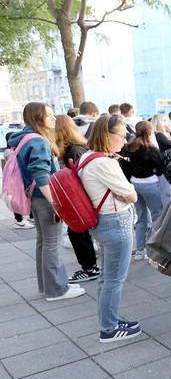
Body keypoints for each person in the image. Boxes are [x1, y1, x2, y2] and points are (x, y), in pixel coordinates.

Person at [7, 103, 85, 301]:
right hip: (45, 198)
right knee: (52, 244)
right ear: (37, 118)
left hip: (34, 198)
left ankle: (48, 286)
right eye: (49, 115)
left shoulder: (23, 138)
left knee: (43, 242)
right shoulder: (39, 142)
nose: (53, 118)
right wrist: (57, 204)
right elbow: (41, 176)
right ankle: (56, 290)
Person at [82, 114, 141, 341]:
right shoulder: (104, 163)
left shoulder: (87, 157)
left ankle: (111, 320)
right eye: (122, 135)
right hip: (115, 223)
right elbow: (132, 195)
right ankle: (109, 328)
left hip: (103, 223)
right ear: (107, 135)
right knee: (114, 279)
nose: (125, 141)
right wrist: (124, 191)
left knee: (107, 278)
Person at [53, 114, 101, 283]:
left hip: (80, 197)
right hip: (80, 196)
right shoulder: (74, 147)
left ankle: (90, 268)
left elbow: (82, 175)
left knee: (77, 231)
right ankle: (90, 267)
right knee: (78, 231)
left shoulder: (73, 149)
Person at [126, 121, 166, 261]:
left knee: (141, 217)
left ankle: (140, 250)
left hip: (134, 184)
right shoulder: (151, 148)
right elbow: (160, 167)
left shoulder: (129, 147)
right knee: (157, 216)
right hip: (150, 183)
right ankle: (152, 252)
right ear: (150, 132)